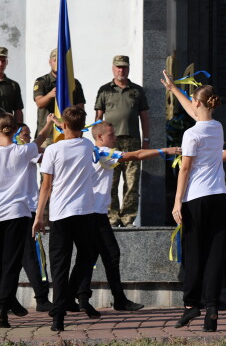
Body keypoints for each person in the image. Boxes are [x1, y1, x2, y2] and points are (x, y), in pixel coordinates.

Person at [72, 120, 176, 313]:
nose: (115, 138)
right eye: (111, 135)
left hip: (92, 212)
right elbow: (135, 155)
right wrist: (164, 151)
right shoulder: (103, 153)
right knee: (109, 254)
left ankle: (77, 296)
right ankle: (112, 299)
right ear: (99, 137)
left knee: (88, 256)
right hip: (94, 214)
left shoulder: (90, 152)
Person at [0, 112, 53, 328]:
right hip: (16, 214)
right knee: (11, 264)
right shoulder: (23, 151)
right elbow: (40, 139)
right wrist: (47, 124)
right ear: (16, 130)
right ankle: (3, 310)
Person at [161, 72, 226, 332]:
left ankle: (191, 304)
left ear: (198, 102)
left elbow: (185, 169)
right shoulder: (217, 127)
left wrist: (177, 202)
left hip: (196, 199)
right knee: (214, 253)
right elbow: (195, 111)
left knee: (193, 253)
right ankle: (212, 307)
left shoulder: (191, 134)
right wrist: (174, 89)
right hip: (218, 196)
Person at [33, 106, 99, 332]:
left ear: (65, 126)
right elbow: (73, 130)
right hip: (84, 213)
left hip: (60, 214)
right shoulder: (87, 145)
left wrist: (39, 215)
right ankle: (69, 297)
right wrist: (62, 123)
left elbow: (46, 186)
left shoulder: (53, 150)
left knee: (59, 265)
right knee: (87, 256)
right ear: (82, 126)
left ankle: (59, 314)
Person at [94, 55, 150, 227]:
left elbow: (144, 116)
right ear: (113, 68)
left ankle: (128, 217)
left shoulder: (137, 91)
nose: (121, 70)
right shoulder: (105, 90)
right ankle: (112, 217)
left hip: (132, 141)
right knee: (111, 181)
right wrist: (97, 141)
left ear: (129, 68)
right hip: (111, 142)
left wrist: (146, 139)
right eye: (118, 67)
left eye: (124, 67)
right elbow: (98, 117)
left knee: (132, 182)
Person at [12, 123, 53, 312]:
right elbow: (43, 154)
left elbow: (40, 150)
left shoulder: (7, 150)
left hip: (10, 211)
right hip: (26, 209)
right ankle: (41, 298)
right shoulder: (23, 151)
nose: (29, 138)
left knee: (12, 257)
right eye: (26, 135)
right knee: (33, 256)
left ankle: (3, 298)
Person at [33, 48, 86, 147]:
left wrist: (79, 130)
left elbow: (80, 108)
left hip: (69, 134)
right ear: (50, 62)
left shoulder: (74, 83)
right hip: (47, 135)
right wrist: (50, 95)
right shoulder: (42, 81)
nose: (58, 63)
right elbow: (39, 103)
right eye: (55, 60)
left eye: (61, 60)